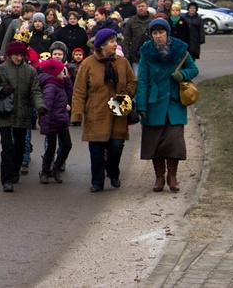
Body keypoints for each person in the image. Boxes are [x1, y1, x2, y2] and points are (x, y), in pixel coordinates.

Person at [136, 18, 198, 192]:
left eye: (161, 33)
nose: (158, 36)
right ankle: (159, 177)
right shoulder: (146, 51)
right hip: (153, 102)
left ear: (167, 33)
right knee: (154, 141)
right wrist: (141, 105)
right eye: (155, 33)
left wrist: (183, 75)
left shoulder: (180, 49)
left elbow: (194, 69)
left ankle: (172, 176)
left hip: (174, 102)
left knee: (173, 141)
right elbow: (142, 80)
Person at [71, 28, 136, 192]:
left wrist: (125, 94)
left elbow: (133, 82)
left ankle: (113, 172)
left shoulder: (123, 62)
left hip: (118, 113)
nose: (115, 44)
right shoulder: (87, 64)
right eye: (112, 41)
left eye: (116, 41)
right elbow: (79, 91)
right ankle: (97, 182)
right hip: (96, 113)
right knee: (97, 152)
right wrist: (77, 114)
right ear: (101, 46)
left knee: (116, 146)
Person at [0, 41, 46, 192]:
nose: (18, 58)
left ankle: (15, 170)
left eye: (21, 55)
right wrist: (2, 90)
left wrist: (40, 106)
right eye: (16, 55)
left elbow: (35, 91)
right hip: (5, 113)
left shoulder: (30, 71)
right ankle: (7, 180)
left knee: (19, 147)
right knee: (7, 147)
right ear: (9, 55)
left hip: (23, 113)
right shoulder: (0, 70)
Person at [37, 59, 73, 184]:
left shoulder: (59, 83)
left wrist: (67, 78)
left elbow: (69, 94)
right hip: (52, 122)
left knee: (67, 145)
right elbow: (46, 108)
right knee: (51, 148)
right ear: (55, 72)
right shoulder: (50, 86)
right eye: (61, 70)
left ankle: (56, 168)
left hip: (62, 121)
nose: (63, 72)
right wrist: (45, 126)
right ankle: (45, 171)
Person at [122, 0, 154, 75]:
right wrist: (126, 54)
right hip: (136, 57)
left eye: (143, 6)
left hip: (151, 55)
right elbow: (126, 39)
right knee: (137, 79)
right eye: (138, 6)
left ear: (147, 7)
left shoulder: (153, 20)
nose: (141, 8)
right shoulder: (131, 21)